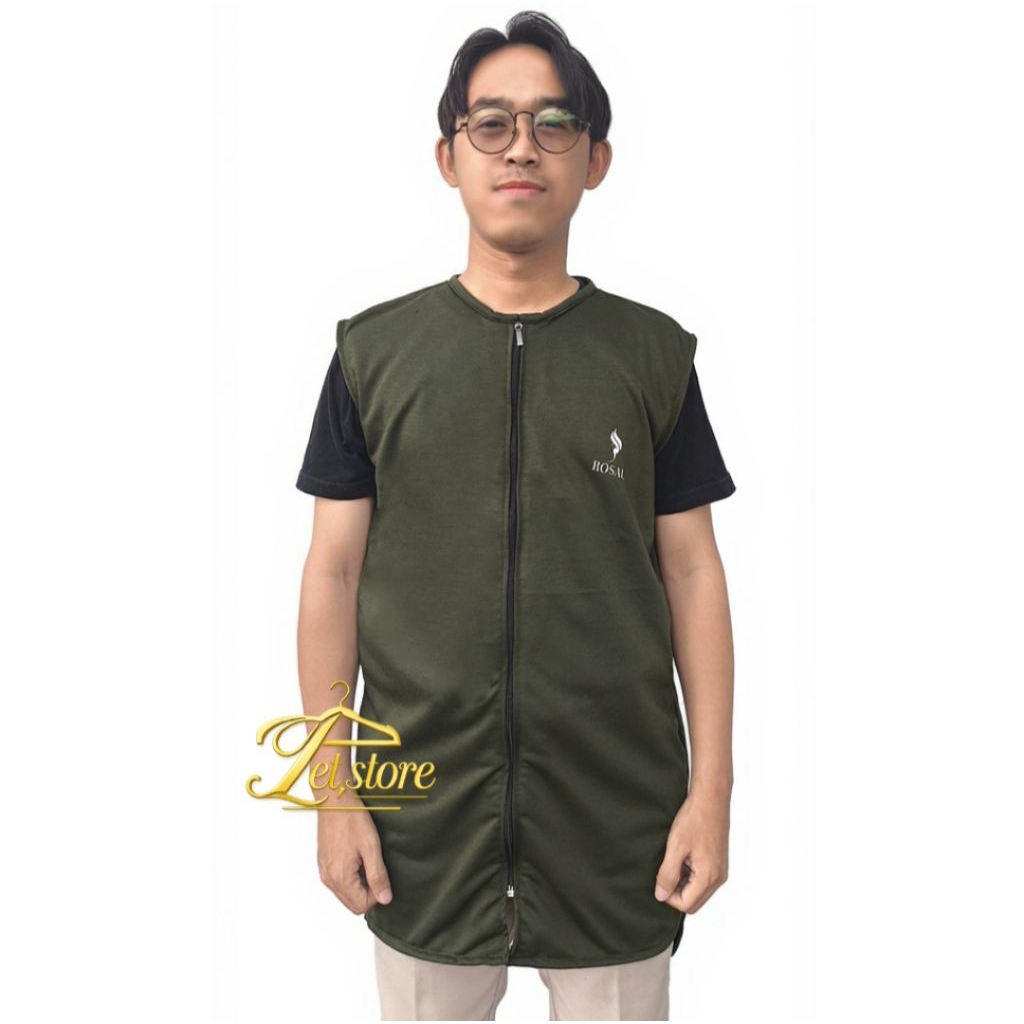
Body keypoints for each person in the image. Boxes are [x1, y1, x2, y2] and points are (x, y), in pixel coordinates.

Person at [295, 11, 736, 1021]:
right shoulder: (373, 357)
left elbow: (693, 573)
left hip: (619, 819)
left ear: (595, 159)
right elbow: (331, 574)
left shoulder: (653, 357)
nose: (521, 148)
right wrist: (333, 793)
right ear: (448, 156)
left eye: (553, 123)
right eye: (491, 123)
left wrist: (710, 793)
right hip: (420, 824)